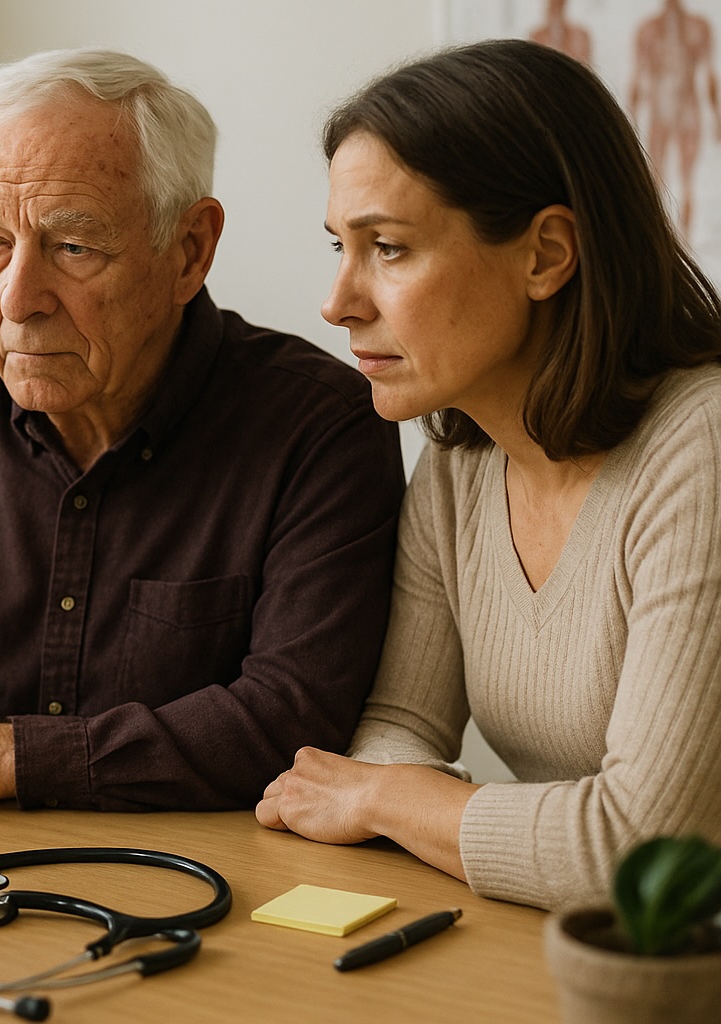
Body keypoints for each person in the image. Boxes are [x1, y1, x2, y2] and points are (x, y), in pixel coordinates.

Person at [0, 49, 406, 816]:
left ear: (190, 251)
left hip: (207, 880)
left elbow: (294, 716)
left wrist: (11, 758)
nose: (18, 301)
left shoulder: (319, 426)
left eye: (73, 247)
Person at [257, 39, 721, 911]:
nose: (338, 301)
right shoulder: (461, 457)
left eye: (388, 248)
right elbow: (399, 726)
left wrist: (393, 800)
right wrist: (397, 791)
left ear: (546, 254)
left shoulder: (705, 448)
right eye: (339, 247)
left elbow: (646, 848)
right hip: (587, 949)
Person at [629, 0, 721, 237]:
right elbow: (637, 79)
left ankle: (686, 241)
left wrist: (717, 118)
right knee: (657, 176)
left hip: (687, 109)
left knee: (687, 179)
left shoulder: (698, 27)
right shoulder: (648, 30)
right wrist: (630, 121)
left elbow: (710, 74)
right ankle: (658, 236)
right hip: (660, 110)